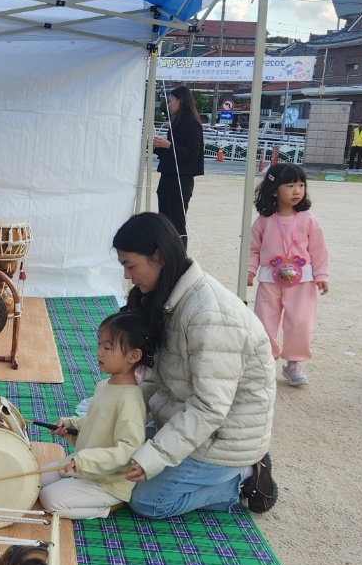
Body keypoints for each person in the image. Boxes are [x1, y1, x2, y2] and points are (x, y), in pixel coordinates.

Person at [112, 212, 278, 519]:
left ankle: (243, 478)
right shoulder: (171, 298)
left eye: (130, 265)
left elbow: (210, 408)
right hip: (187, 420)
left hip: (223, 438)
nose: (127, 275)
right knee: (116, 457)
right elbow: (154, 379)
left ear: (159, 257)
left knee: (147, 501)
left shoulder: (210, 316)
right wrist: (111, 414)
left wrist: (157, 455)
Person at [38, 312, 152, 520]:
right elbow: (97, 424)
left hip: (107, 482)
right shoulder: (105, 385)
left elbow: (128, 451)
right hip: (84, 464)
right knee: (34, 481)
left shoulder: (130, 400)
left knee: (49, 499)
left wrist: (85, 461)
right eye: (99, 344)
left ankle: (106, 507)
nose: (99, 352)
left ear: (134, 356)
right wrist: (70, 426)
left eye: (107, 348)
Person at [247, 163, 330, 387]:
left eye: (301, 185)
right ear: (274, 190)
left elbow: (319, 250)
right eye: (290, 185)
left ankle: (293, 362)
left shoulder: (308, 219)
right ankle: (264, 362)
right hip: (269, 281)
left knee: (301, 322)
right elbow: (253, 249)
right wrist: (250, 270)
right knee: (264, 322)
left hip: (302, 282)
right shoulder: (263, 221)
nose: (297, 191)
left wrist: (321, 275)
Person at [152, 85, 204, 243]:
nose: (168, 105)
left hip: (181, 178)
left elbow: (192, 153)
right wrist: (159, 147)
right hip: (168, 174)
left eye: (171, 101)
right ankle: (166, 252)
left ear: (181, 101)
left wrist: (168, 145)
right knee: (164, 220)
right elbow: (173, 153)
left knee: (177, 222)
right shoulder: (176, 122)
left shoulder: (191, 123)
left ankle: (180, 254)